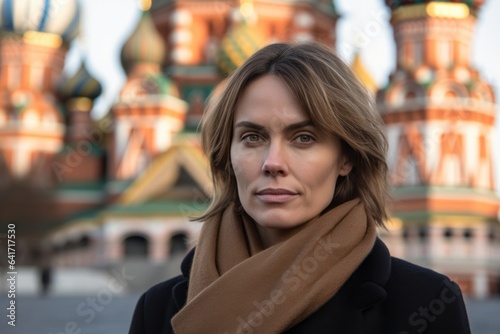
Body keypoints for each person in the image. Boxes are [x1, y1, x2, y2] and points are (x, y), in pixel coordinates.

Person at [129, 42, 471, 334]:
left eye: (304, 138)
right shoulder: (157, 310)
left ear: (346, 158)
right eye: (252, 137)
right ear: (226, 155)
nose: (272, 162)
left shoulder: (427, 304)